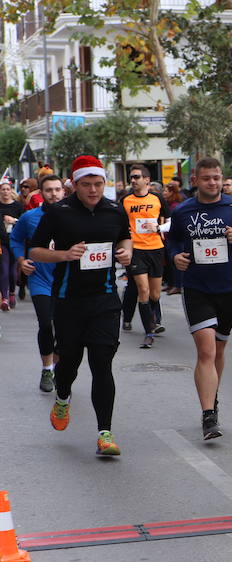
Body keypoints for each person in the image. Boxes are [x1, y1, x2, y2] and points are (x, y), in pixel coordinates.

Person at [29, 155, 133, 456]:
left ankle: (105, 434)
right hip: (68, 301)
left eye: (98, 184)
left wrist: (125, 253)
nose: (93, 190)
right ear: (73, 184)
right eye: (86, 184)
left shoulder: (114, 210)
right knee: (70, 364)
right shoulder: (58, 213)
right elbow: (34, 251)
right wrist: (64, 255)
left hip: (105, 300)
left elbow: (126, 240)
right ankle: (63, 398)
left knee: (102, 364)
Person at [167, 157, 232, 440]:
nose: (212, 182)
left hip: (228, 288)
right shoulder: (183, 211)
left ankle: (213, 395)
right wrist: (176, 257)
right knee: (207, 351)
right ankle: (208, 415)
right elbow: (172, 241)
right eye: (207, 178)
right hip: (197, 288)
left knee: (219, 351)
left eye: (217, 177)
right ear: (196, 180)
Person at [10, 174, 66, 392]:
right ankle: (47, 367)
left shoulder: (75, 217)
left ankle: (60, 368)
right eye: (49, 190)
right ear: (41, 193)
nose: (53, 194)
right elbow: (15, 239)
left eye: (57, 189)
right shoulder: (30, 217)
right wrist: (22, 260)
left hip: (67, 281)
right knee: (46, 324)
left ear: (64, 191)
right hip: (40, 279)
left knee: (64, 330)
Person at [121, 164, 170, 348]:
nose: (133, 180)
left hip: (156, 249)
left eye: (136, 177)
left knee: (155, 294)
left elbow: (171, 221)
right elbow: (119, 224)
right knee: (143, 290)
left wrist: (158, 228)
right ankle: (149, 332)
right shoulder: (125, 201)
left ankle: (151, 320)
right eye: (131, 177)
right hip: (136, 251)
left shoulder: (157, 199)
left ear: (147, 180)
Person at [0, 181, 23, 310]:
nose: (5, 191)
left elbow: (23, 222)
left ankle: (12, 292)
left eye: (7, 189)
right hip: (2, 242)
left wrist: (14, 221)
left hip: (15, 241)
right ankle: (4, 297)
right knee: (3, 268)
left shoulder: (17, 206)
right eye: (3, 189)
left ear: (11, 191)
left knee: (12, 270)